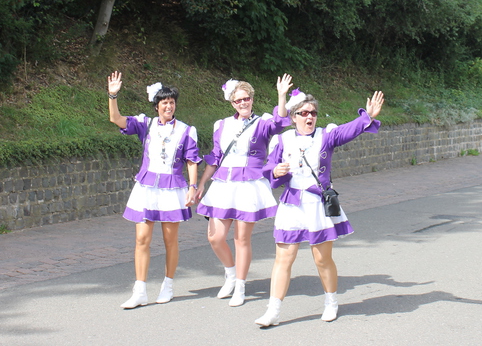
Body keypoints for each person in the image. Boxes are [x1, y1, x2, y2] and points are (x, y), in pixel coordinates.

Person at [255, 89, 384, 327]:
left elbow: (347, 131)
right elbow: (269, 167)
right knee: (283, 258)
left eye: (313, 113)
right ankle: (273, 311)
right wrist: (276, 171)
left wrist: (367, 116)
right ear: (293, 117)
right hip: (292, 203)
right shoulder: (282, 140)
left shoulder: (327, 136)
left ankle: (331, 302)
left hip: (317, 204)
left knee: (322, 258)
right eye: (304, 113)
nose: (309, 117)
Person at [193, 74, 293, 307]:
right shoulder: (222, 125)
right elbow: (215, 157)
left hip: (249, 184)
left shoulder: (262, 122)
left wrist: (281, 95)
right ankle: (230, 274)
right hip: (224, 184)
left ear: (252, 99)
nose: (243, 103)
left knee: (241, 238)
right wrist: (202, 183)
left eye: (246, 98)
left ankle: (240, 285)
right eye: (238, 100)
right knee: (215, 237)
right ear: (232, 103)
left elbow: (280, 123)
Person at [107, 71, 201, 309]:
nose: (169, 106)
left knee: (170, 239)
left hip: (172, 188)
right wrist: (113, 95)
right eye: (164, 102)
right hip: (146, 187)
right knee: (142, 238)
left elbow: (191, 160)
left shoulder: (186, 130)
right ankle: (139, 290)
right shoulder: (145, 124)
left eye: (172, 102)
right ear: (156, 106)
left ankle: (168, 285)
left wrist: (192, 187)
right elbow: (115, 119)